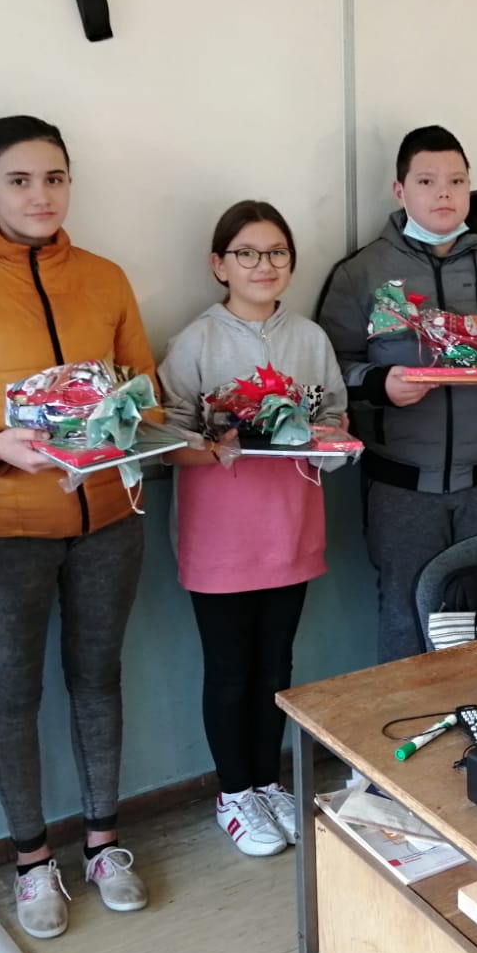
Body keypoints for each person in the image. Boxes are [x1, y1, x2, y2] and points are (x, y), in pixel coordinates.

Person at [0, 116, 157, 939]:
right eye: (19, 181)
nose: (41, 195)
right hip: (5, 528)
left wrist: (135, 425)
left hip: (110, 520)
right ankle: (29, 860)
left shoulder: (106, 277)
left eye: (54, 178)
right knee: (12, 693)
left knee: (99, 679)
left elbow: (146, 394)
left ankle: (104, 844)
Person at [316, 126, 477, 662]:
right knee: (405, 614)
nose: (443, 192)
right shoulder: (362, 272)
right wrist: (379, 385)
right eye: (426, 181)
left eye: (456, 180)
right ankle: (405, 714)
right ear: (399, 191)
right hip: (400, 484)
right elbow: (328, 370)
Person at [158, 200, 347, 858]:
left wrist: (328, 438)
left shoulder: (310, 339)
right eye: (246, 253)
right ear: (219, 265)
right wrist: (215, 444)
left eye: (276, 253)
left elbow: (335, 418)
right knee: (229, 670)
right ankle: (234, 791)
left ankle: (269, 782)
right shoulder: (195, 341)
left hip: (290, 526)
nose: (262, 265)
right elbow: (166, 441)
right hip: (220, 535)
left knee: (277, 666)